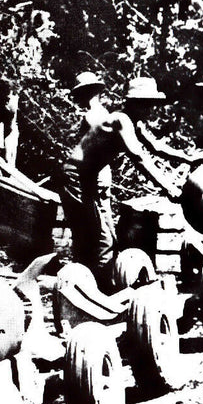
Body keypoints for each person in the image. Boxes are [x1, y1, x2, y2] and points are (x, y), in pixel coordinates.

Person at [60, 76, 187, 289]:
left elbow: (155, 147)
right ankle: (98, 292)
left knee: (109, 238)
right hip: (75, 179)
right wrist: (168, 187)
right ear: (133, 102)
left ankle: (96, 284)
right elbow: (138, 157)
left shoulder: (133, 122)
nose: (150, 110)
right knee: (102, 241)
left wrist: (187, 158)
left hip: (87, 181)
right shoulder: (120, 120)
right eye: (146, 104)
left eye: (151, 105)